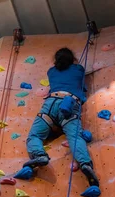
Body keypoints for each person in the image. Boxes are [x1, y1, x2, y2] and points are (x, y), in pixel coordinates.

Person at [21, 47, 99, 187]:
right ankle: (85, 164)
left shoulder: (51, 72)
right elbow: (80, 80)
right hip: (70, 103)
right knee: (75, 137)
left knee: (34, 136)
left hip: (51, 104)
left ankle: (40, 155)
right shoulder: (78, 69)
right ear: (72, 59)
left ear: (56, 60)